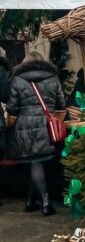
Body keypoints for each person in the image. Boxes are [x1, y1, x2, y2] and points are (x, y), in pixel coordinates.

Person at [7, 51, 65, 215]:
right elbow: (61, 103)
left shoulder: (17, 80)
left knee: (35, 162)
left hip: (25, 128)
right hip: (47, 127)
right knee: (38, 162)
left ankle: (41, 202)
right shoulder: (53, 78)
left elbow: (12, 108)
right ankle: (37, 201)